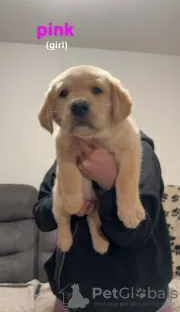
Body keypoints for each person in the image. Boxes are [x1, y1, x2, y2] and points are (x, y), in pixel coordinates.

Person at [33, 131, 173, 312]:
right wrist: (65, 197)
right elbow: (41, 217)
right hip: (73, 294)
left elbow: (135, 234)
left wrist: (109, 184)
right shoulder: (69, 151)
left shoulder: (139, 151)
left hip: (136, 299)